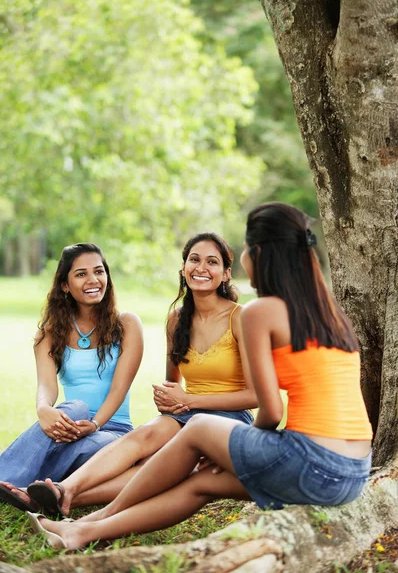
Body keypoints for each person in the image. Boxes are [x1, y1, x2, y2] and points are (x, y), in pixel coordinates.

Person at [27, 203, 372, 549]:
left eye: (244, 251)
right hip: (352, 473)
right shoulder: (329, 315)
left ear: (259, 253)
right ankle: (81, 531)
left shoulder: (257, 313)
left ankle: (91, 516)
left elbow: (271, 413)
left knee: (201, 429)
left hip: (311, 461)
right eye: (194, 260)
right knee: (201, 482)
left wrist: (230, 445)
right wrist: (227, 445)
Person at [7, 233, 256, 516]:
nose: (201, 268)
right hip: (183, 415)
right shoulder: (177, 319)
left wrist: (189, 399)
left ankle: (58, 494)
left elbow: (256, 396)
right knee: (138, 433)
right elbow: (172, 384)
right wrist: (168, 398)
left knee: (157, 463)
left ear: (225, 274)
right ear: (184, 268)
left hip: (227, 417)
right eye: (194, 259)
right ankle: (59, 490)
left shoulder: (241, 317)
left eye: (212, 262)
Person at [0, 243, 143, 512]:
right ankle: (21, 481)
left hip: (113, 435)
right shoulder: (50, 333)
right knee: (75, 406)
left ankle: (18, 479)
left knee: (93, 438)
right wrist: (44, 409)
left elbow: (119, 389)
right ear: (65, 285)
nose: (93, 280)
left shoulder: (127, 325)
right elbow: (46, 385)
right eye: (81, 274)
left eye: (99, 272)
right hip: (68, 427)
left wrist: (96, 424)